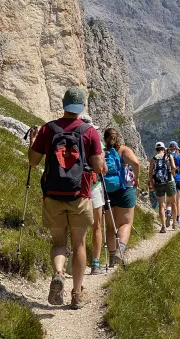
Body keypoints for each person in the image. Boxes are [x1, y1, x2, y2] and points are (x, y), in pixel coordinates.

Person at [28, 87, 106, 310]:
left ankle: (59, 273)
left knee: (59, 242)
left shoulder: (47, 129)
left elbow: (33, 161)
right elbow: (99, 167)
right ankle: (77, 293)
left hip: (52, 194)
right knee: (79, 243)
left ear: (63, 104)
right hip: (79, 194)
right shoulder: (90, 131)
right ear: (82, 106)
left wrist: (32, 142)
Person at [103, 128, 140, 267]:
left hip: (108, 191)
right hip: (125, 190)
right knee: (125, 223)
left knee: (110, 225)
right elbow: (136, 163)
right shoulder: (124, 150)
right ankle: (121, 249)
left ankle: (112, 258)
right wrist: (137, 178)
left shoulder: (103, 151)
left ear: (105, 138)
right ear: (118, 137)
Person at [80, 115, 105, 275]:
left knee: (79, 228)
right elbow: (103, 169)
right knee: (96, 226)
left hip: (76, 187)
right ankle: (95, 263)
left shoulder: (71, 140)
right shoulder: (96, 141)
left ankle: (77, 262)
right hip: (93, 187)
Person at [149, 142, 177, 233]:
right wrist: (172, 175)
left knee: (161, 205)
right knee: (173, 203)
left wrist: (152, 184)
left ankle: (163, 226)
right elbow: (173, 167)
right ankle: (174, 224)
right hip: (169, 181)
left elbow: (150, 174)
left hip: (159, 183)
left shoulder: (153, 159)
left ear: (156, 149)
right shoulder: (169, 156)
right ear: (163, 149)